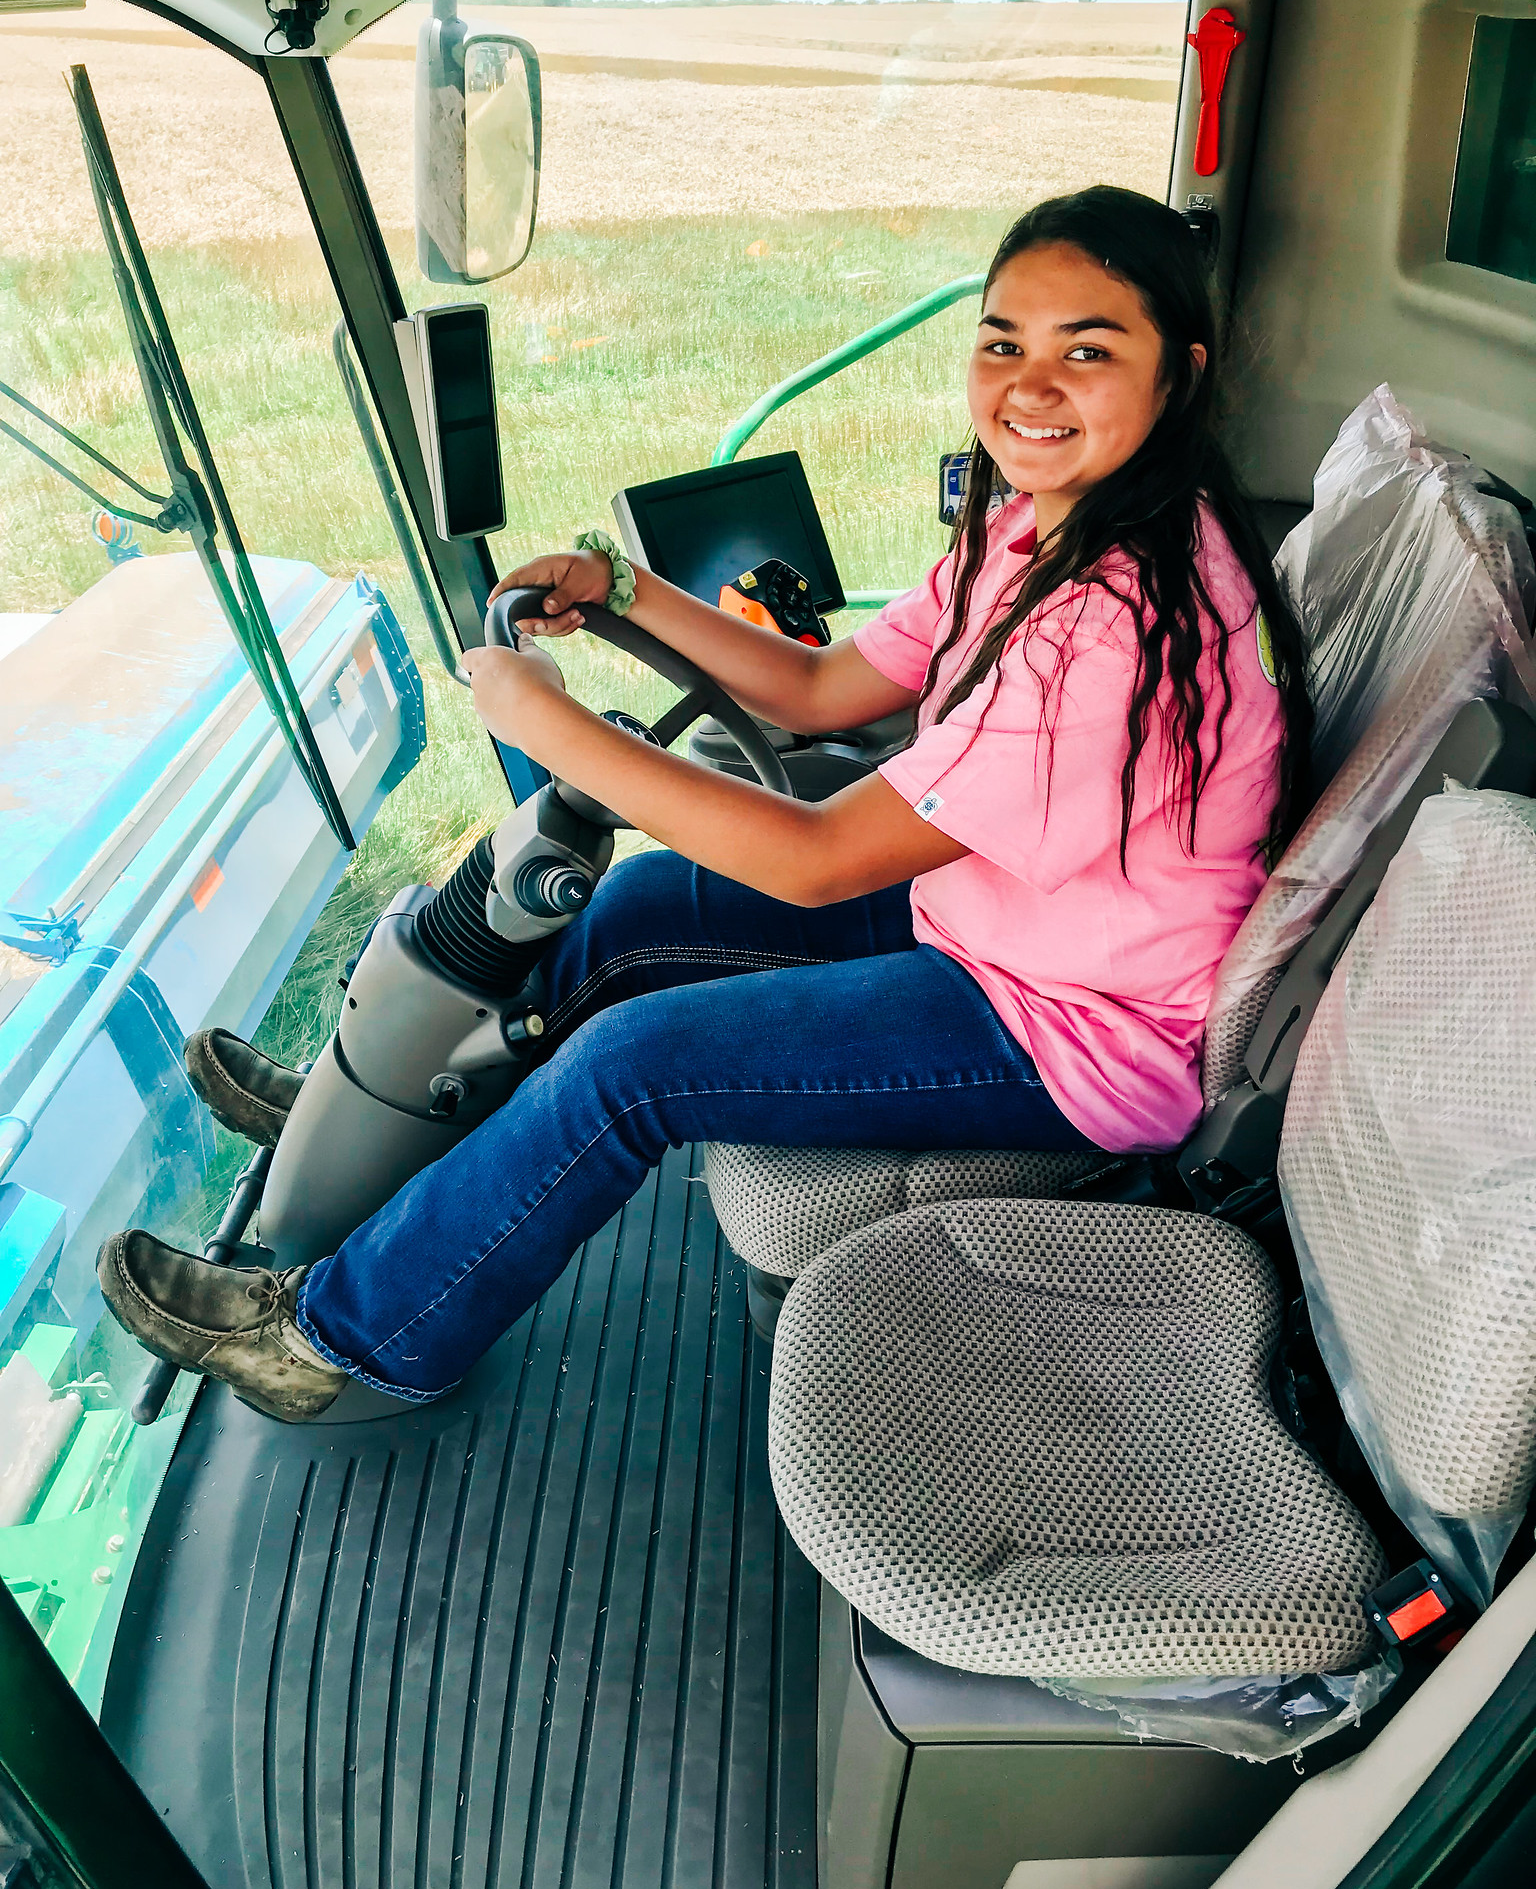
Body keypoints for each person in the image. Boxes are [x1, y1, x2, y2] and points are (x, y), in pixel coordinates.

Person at [97, 186, 1311, 1422]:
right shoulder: (1038, 529)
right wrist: (621, 587)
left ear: (1182, 371)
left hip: (1073, 1030)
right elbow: (827, 682)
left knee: (637, 1062)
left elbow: (822, 856)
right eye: (1003, 341)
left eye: (1089, 350)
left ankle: (353, 1341)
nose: (1029, 385)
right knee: (639, 906)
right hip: (994, 922)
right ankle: (384, 1111)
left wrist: (551, 725)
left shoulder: (1121, 623)